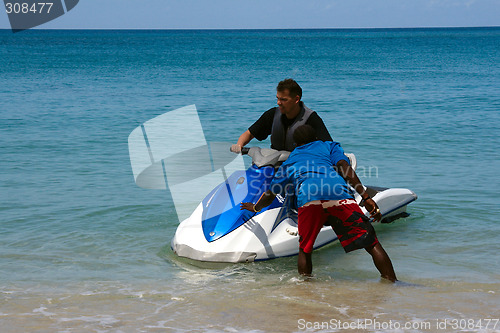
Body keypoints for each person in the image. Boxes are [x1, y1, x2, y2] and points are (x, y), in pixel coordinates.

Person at [240, 125, 397, 282]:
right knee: (371, 243)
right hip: (338, 195)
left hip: (310, 200)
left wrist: (255, 207)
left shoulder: (291, 159)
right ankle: (392, 283)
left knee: (305, 250)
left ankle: (307, 290)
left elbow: (271, 193)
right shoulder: (329, 146)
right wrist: (365, 197)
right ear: (316, 138)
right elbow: (344, 167)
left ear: (295, 144)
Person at [231, 78, 333, 153]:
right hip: (275, 163)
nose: (278, 103)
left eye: (283, 99)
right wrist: (239, 145)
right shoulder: (272, 114)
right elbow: (249, 134)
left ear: (296, 99)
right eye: (277, 98)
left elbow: (329, 146)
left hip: (299, 166)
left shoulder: (311, 118)